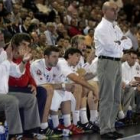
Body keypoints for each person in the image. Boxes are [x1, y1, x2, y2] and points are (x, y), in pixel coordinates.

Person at [94, 1, 132, 139]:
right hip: (106, 62)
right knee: (107, 97)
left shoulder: (115, 27)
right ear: (104, 11)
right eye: (112, 10)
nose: (116, 12)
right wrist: (120, 42)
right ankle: (104, 129)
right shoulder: (101, 28)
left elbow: (129, 44)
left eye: (116, 10)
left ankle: (111, 126)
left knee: (116, 97)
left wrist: (119, 42)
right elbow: (110, 47)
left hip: (117, 63)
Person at [0, 31, 43, 140]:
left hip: (3, 93)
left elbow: (16, 72)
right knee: (11, 100)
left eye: (2, 37)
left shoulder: (4, 54)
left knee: (30, 99)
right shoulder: (5, 56)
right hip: (3, 95)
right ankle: (14, 134)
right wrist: (9, 60)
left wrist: (23, 62)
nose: (2, 39)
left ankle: (31, 131)